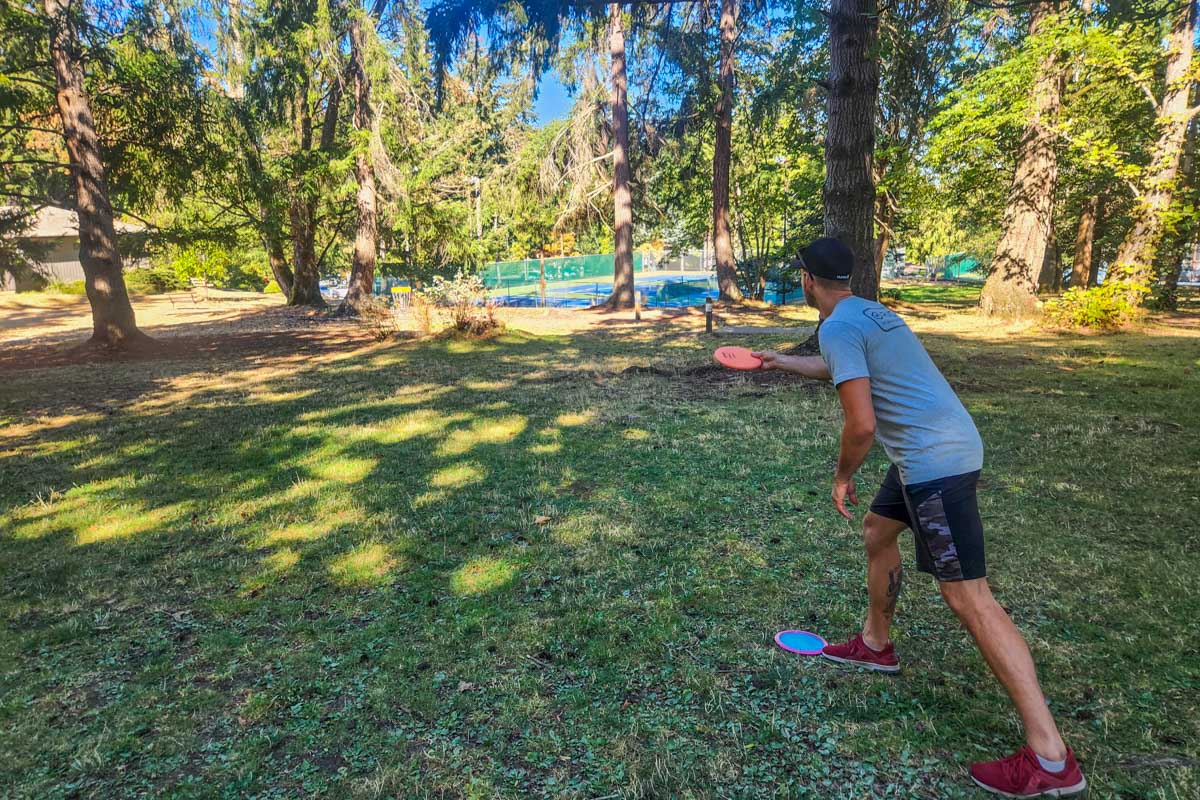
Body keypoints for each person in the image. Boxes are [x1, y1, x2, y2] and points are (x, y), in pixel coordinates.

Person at [753, 238, 1086, 798]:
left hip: (935, 466)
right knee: (877, 530)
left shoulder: (837, 326)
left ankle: (1051, 759)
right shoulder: (871, 314)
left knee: (969, 598)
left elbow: (860, 425)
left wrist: (840, 476)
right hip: (931, 453)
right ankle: (876, 644)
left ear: (806, 280)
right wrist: (783, 360)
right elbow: (842, 365)